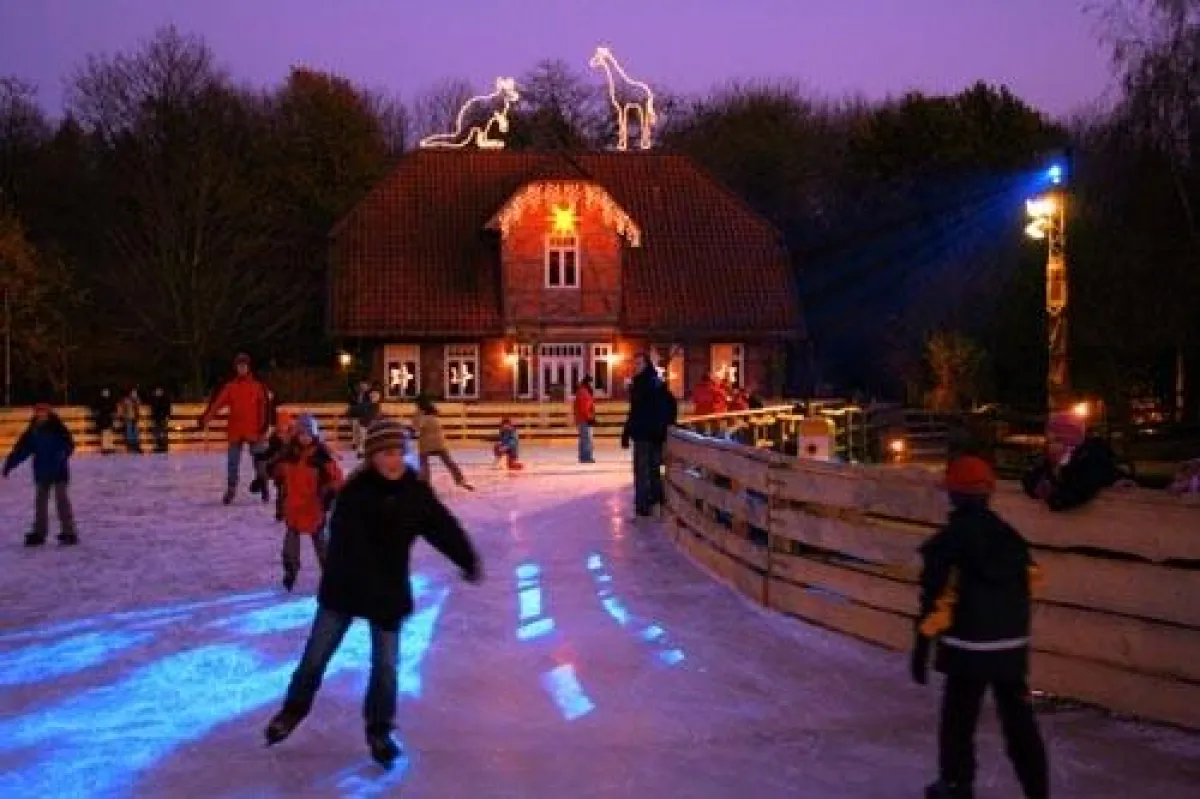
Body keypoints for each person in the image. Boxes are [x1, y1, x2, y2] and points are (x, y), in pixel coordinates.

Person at [264, 417, 483, 767]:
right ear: (372, 458)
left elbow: (441, 526)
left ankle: (379, 729)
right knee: (314, 659)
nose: (392, 460)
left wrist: (466, 557)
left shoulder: (415, 492)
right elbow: (347, 547)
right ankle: (292, 711)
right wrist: (364, 582)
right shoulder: (356, 493)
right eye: (384, 454)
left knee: (385, 668)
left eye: (398, 452)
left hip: (387, 594)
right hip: (345, 589)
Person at [912, 455, 1049, 799]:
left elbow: (936, 598)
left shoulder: (949, 541)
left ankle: (957, 783)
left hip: (967, 648)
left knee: (959, 717)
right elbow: (1033, 580)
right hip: (1010, 647)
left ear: (953, 495)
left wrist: (921, 645)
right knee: (1018, 719)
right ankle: (1037, 789)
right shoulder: (1010, 538)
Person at [271, 414, 343, 592]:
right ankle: (290, 572)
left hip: (314, 509)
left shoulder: (322, 457)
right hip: (293, 509)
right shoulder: (288, 456)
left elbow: (337, 479)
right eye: (301, 434)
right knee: (290, 549)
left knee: (323, 546)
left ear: (315, 436)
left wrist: (331, 493)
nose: (305, 438)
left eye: (308, 434)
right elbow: (278, 473)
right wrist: (266, 474)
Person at [198, 353, 271, 505]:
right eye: (239, 366)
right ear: (236, 368)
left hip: (254, 429)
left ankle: (263, 485)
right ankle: (231, 489)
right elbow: (217, 404)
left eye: (244, 366)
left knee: (259, 461)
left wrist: (263, 426)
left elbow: (264, 407)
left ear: (248, 367)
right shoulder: (231, 387)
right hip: (235, 430)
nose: (242, 368)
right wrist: (206, 418)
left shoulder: (258, 386)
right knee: (232, 461)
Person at [3, 403, 78, 547]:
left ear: (49, 413)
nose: (41, 414)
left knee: (62, 501)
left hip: (58, 471)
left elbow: (69, 444)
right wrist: (10, 464)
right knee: (40, 503)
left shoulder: (58, 428)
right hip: (42, 471)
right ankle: (39, 532)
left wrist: (63, 453)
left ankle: (69, 531)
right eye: (38, 412)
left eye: (43, 412)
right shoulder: (32, 431)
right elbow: (21, 450)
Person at [622, 352, 676, 519]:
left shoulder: (648, 384)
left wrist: (663, 425)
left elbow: (668, 404)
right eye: (634, 364)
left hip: (646, 434)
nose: (636, 367)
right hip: (651, 433)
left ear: (646, 365)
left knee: (643, 470)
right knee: (651, 469)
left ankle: (644, 506)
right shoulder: (652, 382)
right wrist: (626, 432)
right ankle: (655, 501)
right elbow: (635, 412)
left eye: (639, 364)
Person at [412, 394, 473, 490]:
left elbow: (417, 428)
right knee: (448, 461)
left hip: (426, 442)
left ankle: (425, 484)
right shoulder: (433, 411)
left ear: (418, 404)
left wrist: (414, 425)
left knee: (424, 463)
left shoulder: (420, 414)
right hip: (439, 441)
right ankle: (460, 479)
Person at [252, 409, 295, 521]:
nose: (281, 428)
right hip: (278, 470)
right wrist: (261, 456)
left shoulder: (295, 439)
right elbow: (270, 452)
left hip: (291, 471)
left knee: (287, 492)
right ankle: (280, 511)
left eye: (284, 425)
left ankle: (284, 510)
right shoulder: (274, 438)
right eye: (279, 426)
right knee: (281, 492)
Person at [573, 376, 597, 464]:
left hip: (583, 418)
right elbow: (584, 408)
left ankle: (583, 456)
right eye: (591, 382)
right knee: (586, 439)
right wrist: (589, 418)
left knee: (584, 438)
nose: (592, 385)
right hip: (584, 419)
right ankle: (586, 457)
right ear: (587, 383)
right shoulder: (584, 392)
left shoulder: (584, 391)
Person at [348, 379, 372, 457]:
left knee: (362, 428)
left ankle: (361, 448)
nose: (363, 387)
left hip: (365, 417)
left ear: (367, 386)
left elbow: (369, 407)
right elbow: (352, 406)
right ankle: (355, 443)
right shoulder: (354, 394)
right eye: (361, 385)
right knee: (355, 423)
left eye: (364, 385)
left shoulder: (369, 395)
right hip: (356, 416)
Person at [92, 388, 117, 455]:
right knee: (104, 433)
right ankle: (105, 447)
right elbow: (96, 410)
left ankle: (110, 446)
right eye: (105, 392)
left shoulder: (111, 401)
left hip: (109, 419)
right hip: (103, 420)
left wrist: (114, 413)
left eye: (107, 392)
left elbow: (114, 409)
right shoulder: (99, 401)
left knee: (109, 433)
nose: (106, 394)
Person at [149, 387, 172, 453]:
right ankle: (158, 445)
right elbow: (153, 409)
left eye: (159, 391)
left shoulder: (165, 399)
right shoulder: (154, 399)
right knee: (157, 432)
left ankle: (164, 445)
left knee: (163, 432)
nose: (158, 392)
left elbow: (168, 408)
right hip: (156, 418)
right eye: (157, 391)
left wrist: (167, 416)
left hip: (163, 418)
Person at [120, 388, 143, 454]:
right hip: (129, 418)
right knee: (129, 432)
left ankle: (136, 446)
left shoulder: (138, 400)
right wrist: (124, 416)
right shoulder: (126, 400)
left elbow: (139, 408)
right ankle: (130, 446)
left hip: (136, 418)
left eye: (135, 393)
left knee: (136, 432)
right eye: (133, 392)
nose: (134, 394)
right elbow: (123, 408)